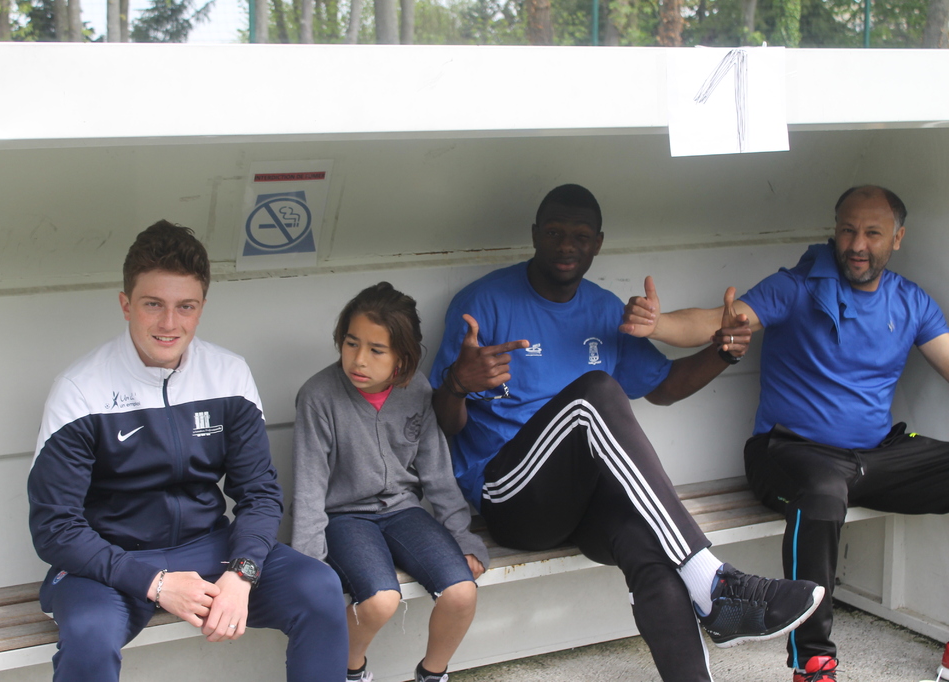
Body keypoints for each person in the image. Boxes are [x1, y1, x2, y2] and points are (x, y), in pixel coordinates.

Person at [428, 183, 824, 682]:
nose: (566, 245)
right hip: (510, 497)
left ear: (597, 243)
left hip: (581, 502)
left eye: (580, 236)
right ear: (534, 234)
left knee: (650, 544)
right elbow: (444, 425)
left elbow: (664, 387)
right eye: (553, 232)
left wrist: (723, 352)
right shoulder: (483, 302)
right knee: (594, 393)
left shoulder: (603, 308)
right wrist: (457, 384)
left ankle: (703, 629)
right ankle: (717, 583)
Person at [619, 185, 949, 682]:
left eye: (872, 233)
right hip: (790, 453)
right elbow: (714, 321)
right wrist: (657, 324)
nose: (857, 245)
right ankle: (812, 660)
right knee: (822, 493)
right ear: (834, 231)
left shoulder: (911, 302)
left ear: (897, 238)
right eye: (848, 231)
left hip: (874, 455)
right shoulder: (796, 288)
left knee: (837, 485)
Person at [27, 220, 348, 682]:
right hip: (112, 562)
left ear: (201, 308)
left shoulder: (228, 375)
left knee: (319, 587)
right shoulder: (80, 390)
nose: (169, 323)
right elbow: (55, 528)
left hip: (209, 549)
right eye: (153, 304)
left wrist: (242, 572)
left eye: (185, 306)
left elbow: (259, 494)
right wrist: (155, 583)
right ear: (126, 304)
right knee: (89, 634)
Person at [292, 282, 489, 682]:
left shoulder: (417, 389)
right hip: (345, 517)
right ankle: (350, 671)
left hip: (403, 512)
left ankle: (431, 675)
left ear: (403, 356)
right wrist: (308, 565)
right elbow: (309, 488)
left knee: (462, 591)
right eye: (351, 343)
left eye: (376, 350)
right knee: (381, 600)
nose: (358, 359)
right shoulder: (318, 395)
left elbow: (437, 472)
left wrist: (462, 536)